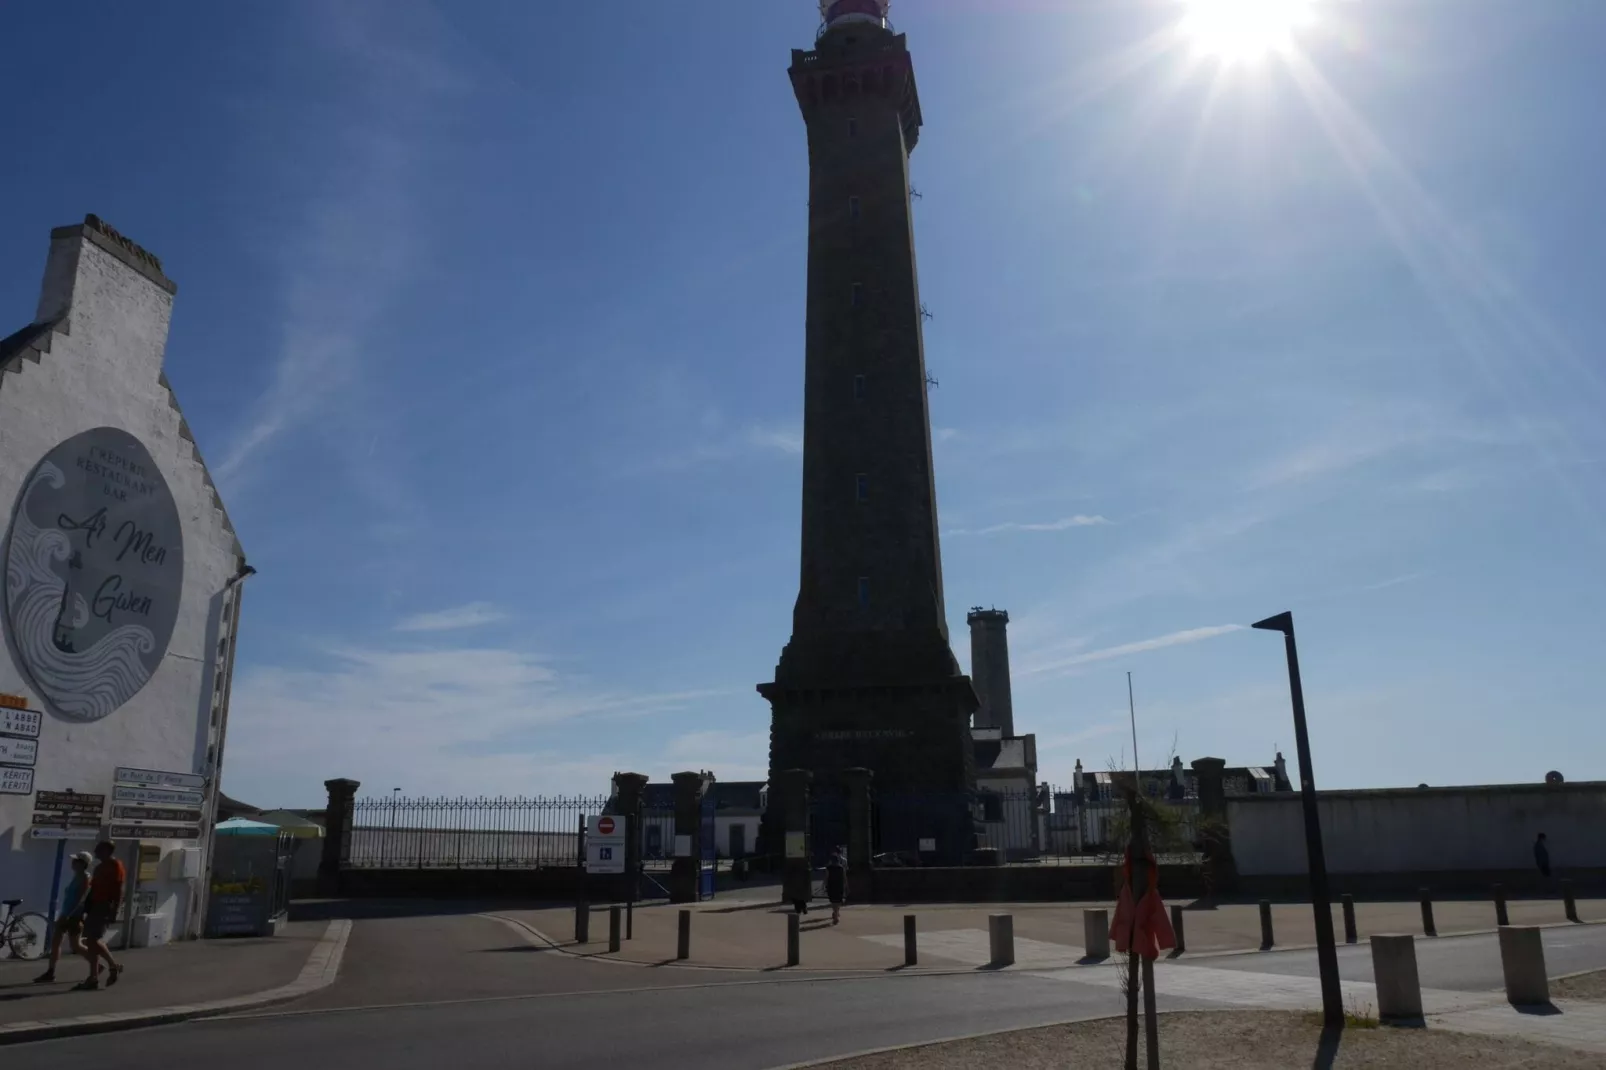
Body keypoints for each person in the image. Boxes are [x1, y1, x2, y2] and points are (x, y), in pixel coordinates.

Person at [33, 851, 92, 984]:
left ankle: (96, 963)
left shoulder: (85, 878)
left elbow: (81, 899)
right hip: (65, 913)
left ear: (83, 864)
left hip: (74, 916)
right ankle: (50, 972)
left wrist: (70, 915)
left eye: (75, 861)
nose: (72, 863)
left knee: (76, 945)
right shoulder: (76, 876)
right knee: (56, 942)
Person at [78, 840, 125, 991]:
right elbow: (93, 888)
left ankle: (113, 966)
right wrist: (86, 906)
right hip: (95, 905)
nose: (95, 851)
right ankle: (93, 978)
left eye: (98, 849)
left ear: (106, 850)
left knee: (92, 940)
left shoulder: (115, 866)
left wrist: (115, 910)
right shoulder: (99, 867)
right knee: (90, 941)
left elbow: (118, 890)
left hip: (105, 905)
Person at [826, 846, 847, 925]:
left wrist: (825, 885)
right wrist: (846, 885)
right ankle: (836, 913)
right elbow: (845, 876)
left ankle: (835, 913)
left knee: (833, 900)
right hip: (839, 884)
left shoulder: (829, 867)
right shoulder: (841, 867)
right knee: (838, 900)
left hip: (831, 885)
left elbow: (826, 877)